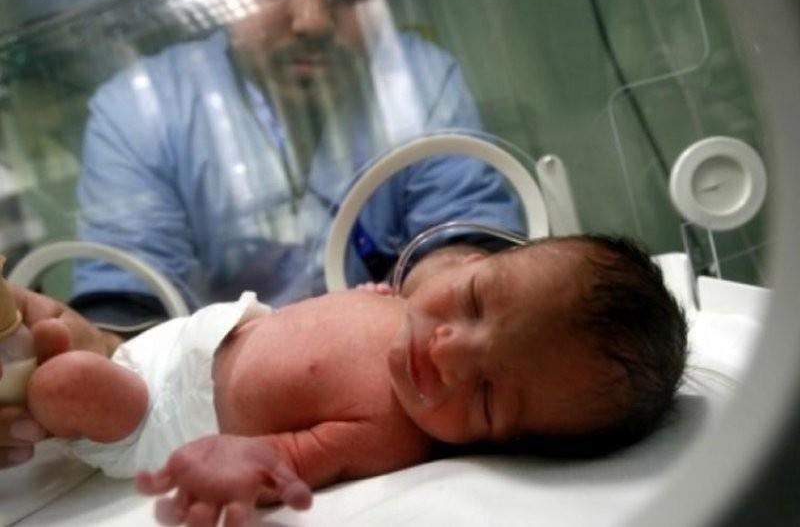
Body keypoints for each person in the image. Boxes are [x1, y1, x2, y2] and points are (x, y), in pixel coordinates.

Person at [21, 234, 686, 526]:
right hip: (188, 339)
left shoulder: (393, 430)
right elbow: (434, 265)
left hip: (160, 416)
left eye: (485, 394)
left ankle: (42, 392)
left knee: (68, 383)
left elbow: (293, 458)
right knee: (79, 345)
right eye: (476, 301)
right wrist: (425, 277)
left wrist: (239, 459)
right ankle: (67, 345)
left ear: (501, 446)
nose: (451, 350)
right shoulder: (410, 301)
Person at [70, 0, 525, 330]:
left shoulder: (419, 77)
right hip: (218, 397)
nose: (313, 21)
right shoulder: (139, 110)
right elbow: (125, 307)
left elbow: (468, 243)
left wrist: (447, 284)